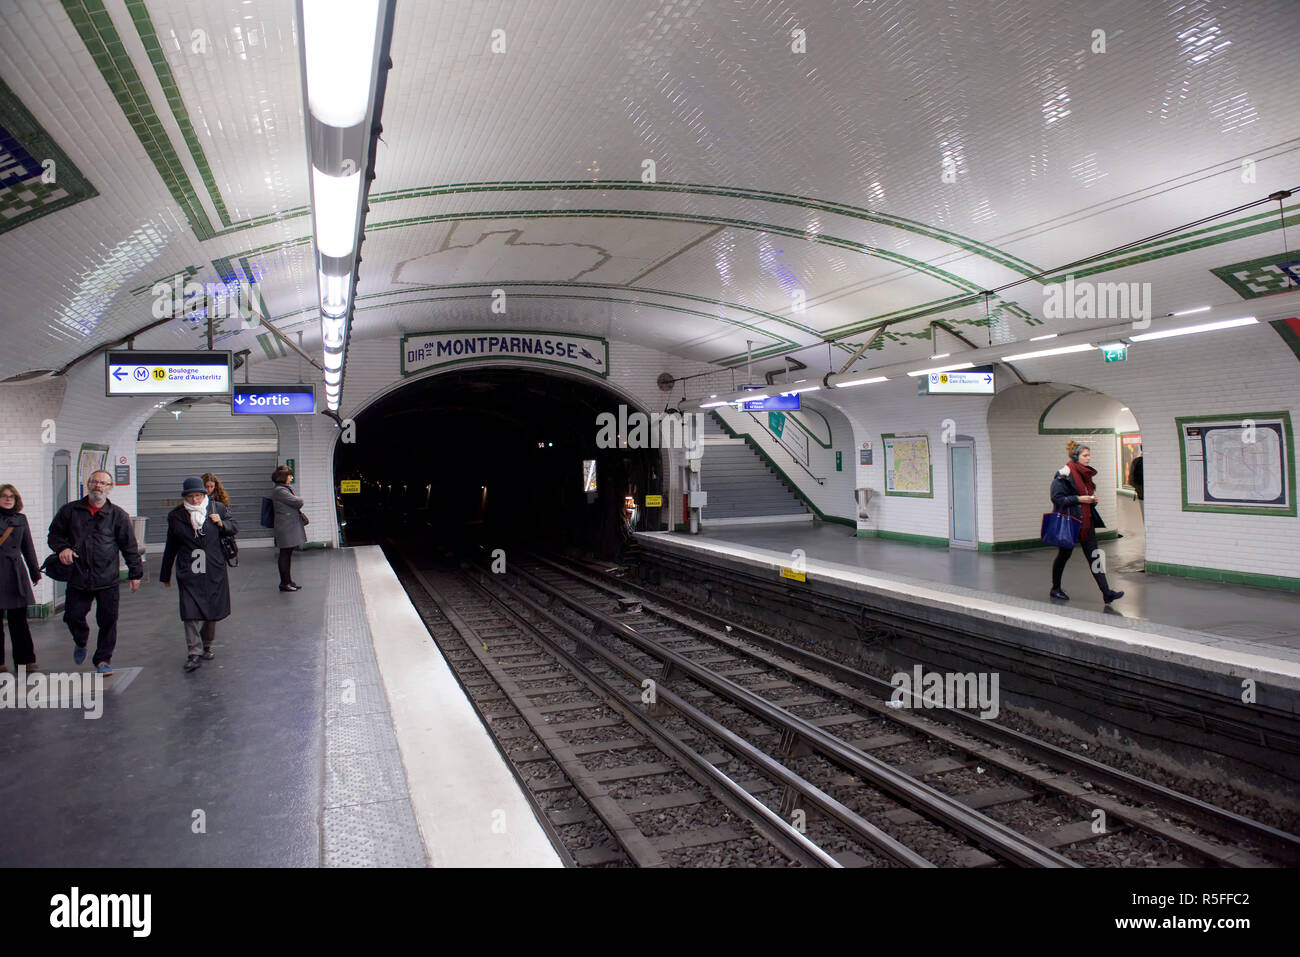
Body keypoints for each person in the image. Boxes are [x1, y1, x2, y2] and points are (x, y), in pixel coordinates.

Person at [47, 469, 143, 675]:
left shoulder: (118, 515)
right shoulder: (70, 511)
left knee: (108, 621)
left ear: (110, 488)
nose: (98, 486)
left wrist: (135, 573)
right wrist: (63, 548)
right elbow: (54, 535)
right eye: (95, 482)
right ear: (88, 484)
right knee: (72, 616)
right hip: (78, 576)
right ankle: (81, 639)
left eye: (103, 483)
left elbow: (129, 546)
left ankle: (103, 660)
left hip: (107, 578)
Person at [159, 476, 238, 672]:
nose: (194, 500)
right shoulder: (176, 516)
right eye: (190, 496)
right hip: (190, 566)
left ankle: (206, 644)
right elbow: (171, 545)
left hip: (213, 565)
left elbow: (234, 527)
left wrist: (222, 524)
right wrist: (165, 573)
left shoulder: (217, 508)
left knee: (212, 607)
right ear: (184, 497)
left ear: (204, 494)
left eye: (198, 496)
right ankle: (194, 651)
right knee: (190, 609)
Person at [1049, 440, 1124, 604]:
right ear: (1076, 456)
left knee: (1095, 556)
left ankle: (1106, 592)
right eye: (1085, 455)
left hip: (1086, 522)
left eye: (1089, 455)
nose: (1088, 458)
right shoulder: (1064, 473)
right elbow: (1057, 498)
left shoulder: (1085, 475)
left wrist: (1091, 500)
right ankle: (1055, 588)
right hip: (1071, 522)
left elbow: (1085, 497)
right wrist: (1079, 499)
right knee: (1063, 556)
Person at [0, 484, 42, 673]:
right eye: (4, 496)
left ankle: (26, 661)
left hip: (15, 572)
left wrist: (35, 572)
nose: (8, 499)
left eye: (12, 496)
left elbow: (28, 547)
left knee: (19, 621)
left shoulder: (21, 519)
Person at [270, 465, 306, 591]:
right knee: (285, 554)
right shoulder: (280, 490)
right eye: (290, 475)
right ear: (284, 477)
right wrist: (300, 498)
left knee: (287, 554)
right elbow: (298, 502)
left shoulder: (282, 489)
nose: (291, 477)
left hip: (286, 526)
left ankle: (288, 581)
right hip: (285, 527)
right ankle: (284, 583)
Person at [1128, 448, 1144, 521]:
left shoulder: (1136, 461)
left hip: (1141, 494)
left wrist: (1138, 488)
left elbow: (1131, 481)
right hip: (1155, 495)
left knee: (1144, 515)